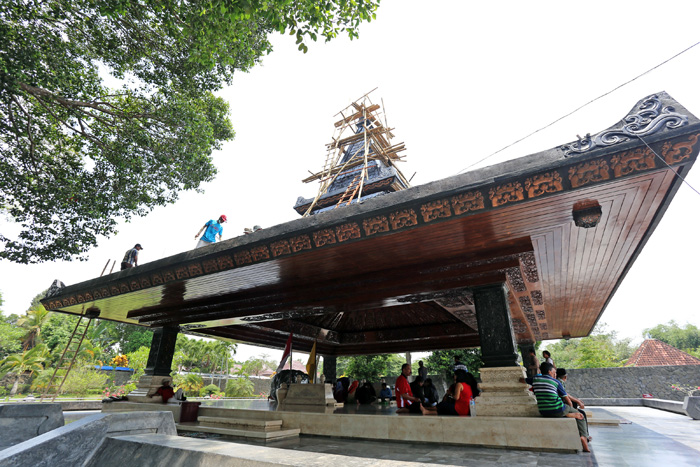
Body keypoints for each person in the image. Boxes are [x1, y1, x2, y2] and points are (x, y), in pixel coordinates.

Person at [519, 362, 590, 452]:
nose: (555, 373)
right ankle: (584, 437)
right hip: (557, 408)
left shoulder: (535, 379)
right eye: (554, 371)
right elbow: (567, 399)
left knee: (563, 410)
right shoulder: (556, 382)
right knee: (580, 415)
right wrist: (572, 409)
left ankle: (566, 414)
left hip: (543, 411)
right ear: (549, 371)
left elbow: (522, 380)